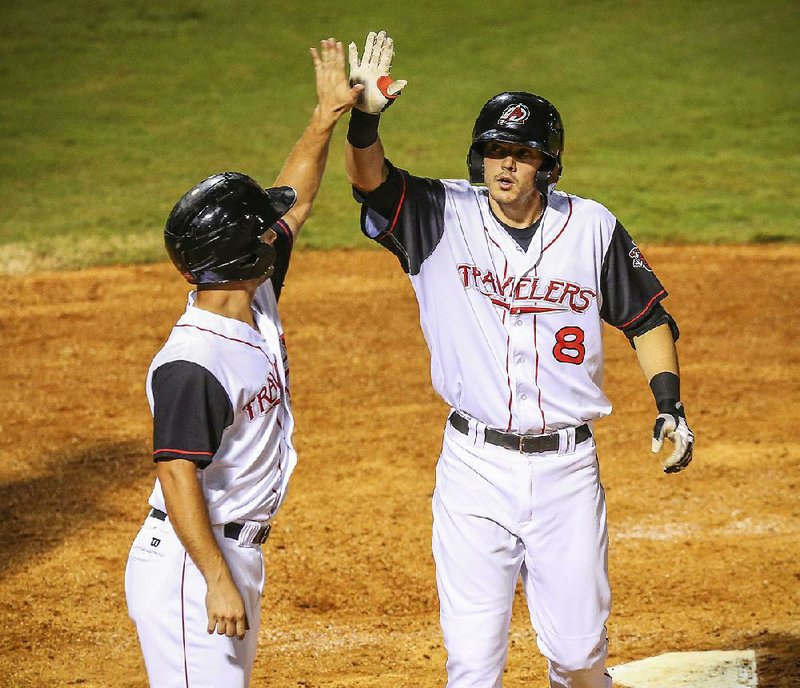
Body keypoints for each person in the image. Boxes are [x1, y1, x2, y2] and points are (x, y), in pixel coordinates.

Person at [344, 31, 694, 688]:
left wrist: (670, 406)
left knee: (578, 658)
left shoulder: (590, 227)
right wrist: (365, 118)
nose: (505, 165)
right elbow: (369, 181)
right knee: (473, 665)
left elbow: (645, 317)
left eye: (522, 155)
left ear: (548, 165)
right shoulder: (437, 215)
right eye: (494, 152)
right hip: (473, 470)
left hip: (567, 473)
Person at [124, 39, 363, 688]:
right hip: (191, 563)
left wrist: (324, 119)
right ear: (235, 256)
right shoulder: (193, 361)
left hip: (230, 553)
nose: (277, 232)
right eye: (264, 232)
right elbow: (176, 475)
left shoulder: (250, 294)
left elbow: (299, 199)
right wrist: (215, 579)